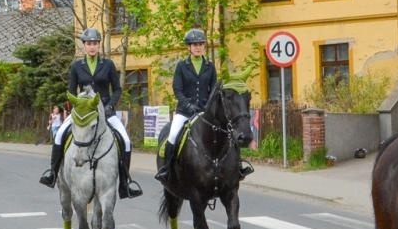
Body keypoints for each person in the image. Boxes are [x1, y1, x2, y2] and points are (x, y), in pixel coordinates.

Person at [38, 28, 142, 199]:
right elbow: (71, 91)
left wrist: (109, 106)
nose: (92, 47)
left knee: (126, 141)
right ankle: (52, 174)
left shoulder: (107, 65)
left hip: (105, 112)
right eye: (88, 44)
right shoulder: (76, 67)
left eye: (95, 43)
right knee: (59, 136)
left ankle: (125, 183)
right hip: (83, 113)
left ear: (99, 45)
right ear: (84, 46)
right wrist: (75, 108)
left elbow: (117, 89)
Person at [153, 28, 253, 184]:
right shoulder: (181, 66)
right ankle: (167, 170)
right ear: (189, 47)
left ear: (204, 46)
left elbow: (213, 90)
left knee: (228, 133)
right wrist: (188, 105)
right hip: (184, 112)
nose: (198, 47)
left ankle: (238, 167)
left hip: (205, 112)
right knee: (172, 136)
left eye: (200, 44)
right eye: (194, 45)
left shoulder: (210, 66)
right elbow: (177, 89)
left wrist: (207, 107)